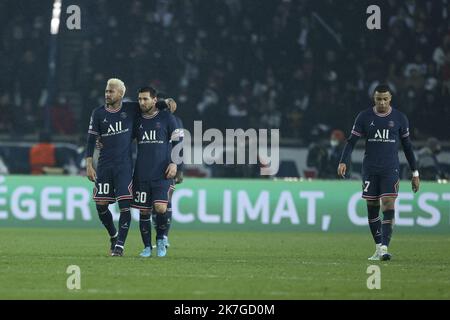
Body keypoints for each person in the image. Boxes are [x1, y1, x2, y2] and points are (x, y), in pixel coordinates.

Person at [338, 84, 420, 261]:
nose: (382, 102)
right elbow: (351, 141)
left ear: (390, 99)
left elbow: (407, 147)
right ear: (374, 99)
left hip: (390, 169)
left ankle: (384, 247)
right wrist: (343, 160)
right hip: (370, 169)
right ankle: (378, 247)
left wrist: (415, 173)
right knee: (372, 208)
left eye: (385, 99)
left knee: (388, 204)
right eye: (378, 99)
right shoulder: (364, 116)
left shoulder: (399, 118)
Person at [85, 78, 140, 257]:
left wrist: (166, 103)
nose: (107, 94)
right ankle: (113, 235)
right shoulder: (98, 113)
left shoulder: (131, 109)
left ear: (121, 94)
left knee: (125, 205)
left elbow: (150, 107)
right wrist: (89, 164)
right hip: (104, 165)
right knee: (101, 205)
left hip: (124, 166)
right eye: (107, 91)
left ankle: (120, 247)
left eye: (111, 91)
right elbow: (91, 140)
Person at [131, 87, 181, 257]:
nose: (142, 102)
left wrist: (175, 164)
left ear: (154, 100)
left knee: (160, 207)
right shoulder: (136, 119)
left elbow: (178, 142)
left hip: (162, 172)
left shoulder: (167, 117)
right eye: (139, 99)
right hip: (141, 173)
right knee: (143, 211)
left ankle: (161, 239)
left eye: (145, 99)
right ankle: (146, 247)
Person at [152, 97, 184, 249]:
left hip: (168, 167)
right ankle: (160, 235)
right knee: (154, 204)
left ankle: (163, 236)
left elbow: (180, 146)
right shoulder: (149, 119)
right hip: (151, 165)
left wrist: (179, 168)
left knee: (165, 201)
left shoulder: (175, 120)